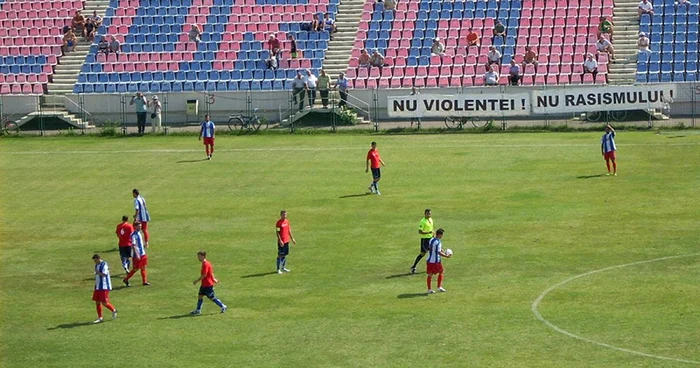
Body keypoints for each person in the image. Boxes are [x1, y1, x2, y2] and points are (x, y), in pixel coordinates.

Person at [92, 254, 117, 324]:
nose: (95, 262)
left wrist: (97, 273)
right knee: (97, 301)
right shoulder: (96, 265)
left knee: (104, 303)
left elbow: (104, 274)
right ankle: (100, 317)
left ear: (98, 258)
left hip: (104, 286)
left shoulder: (104, 265)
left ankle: (113, 310)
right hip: (97, 286)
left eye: (95, 260)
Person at [123, 221, 149, 286]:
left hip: (142, 253)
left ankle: (144, 281)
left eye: (140, 226)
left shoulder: (139, 233)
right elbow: (133, 245)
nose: (140, 227)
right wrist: (137, 254)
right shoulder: (133, 235)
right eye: (138, 226)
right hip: (137, 255)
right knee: (135, 269)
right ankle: (126, 279)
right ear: (135, 227)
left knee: (143, 267)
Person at [426, 228, 451, 294]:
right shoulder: (438, 242)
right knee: (441, 272)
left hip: (429, 260)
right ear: (440, 235)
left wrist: (443, 251)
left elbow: (436, 249)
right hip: (435, 261)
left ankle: (429, 289)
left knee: (430, 274)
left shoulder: (431, 240)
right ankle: (439, 287)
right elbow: (438, 252)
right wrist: (446, 256)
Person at [410, 208, 434, 273]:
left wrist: (432, 235)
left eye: (430, 214)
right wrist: (428, 232)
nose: (429, 215)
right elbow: (420, 231)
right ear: (424, 214)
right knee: (422, 254)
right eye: (427, 214)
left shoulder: (431, 220)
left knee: (432, 252)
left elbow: (431, 229)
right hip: (425, 240)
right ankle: (413, 266)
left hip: (430, 239)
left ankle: (430, 267)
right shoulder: (422, 221)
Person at [275, 210, 297, 274]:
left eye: (286, 214)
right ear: (281, 215)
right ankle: (278, 269)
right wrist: (280, 240)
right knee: (280, 255)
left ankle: (283, 267)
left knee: (285, 254)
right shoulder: (278, 223)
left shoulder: (287, 222)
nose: (285, 216)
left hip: (286, 241)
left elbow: (289, 230)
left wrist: (292, 238)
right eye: (284, 214)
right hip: (281, 242)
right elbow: (277, 232)